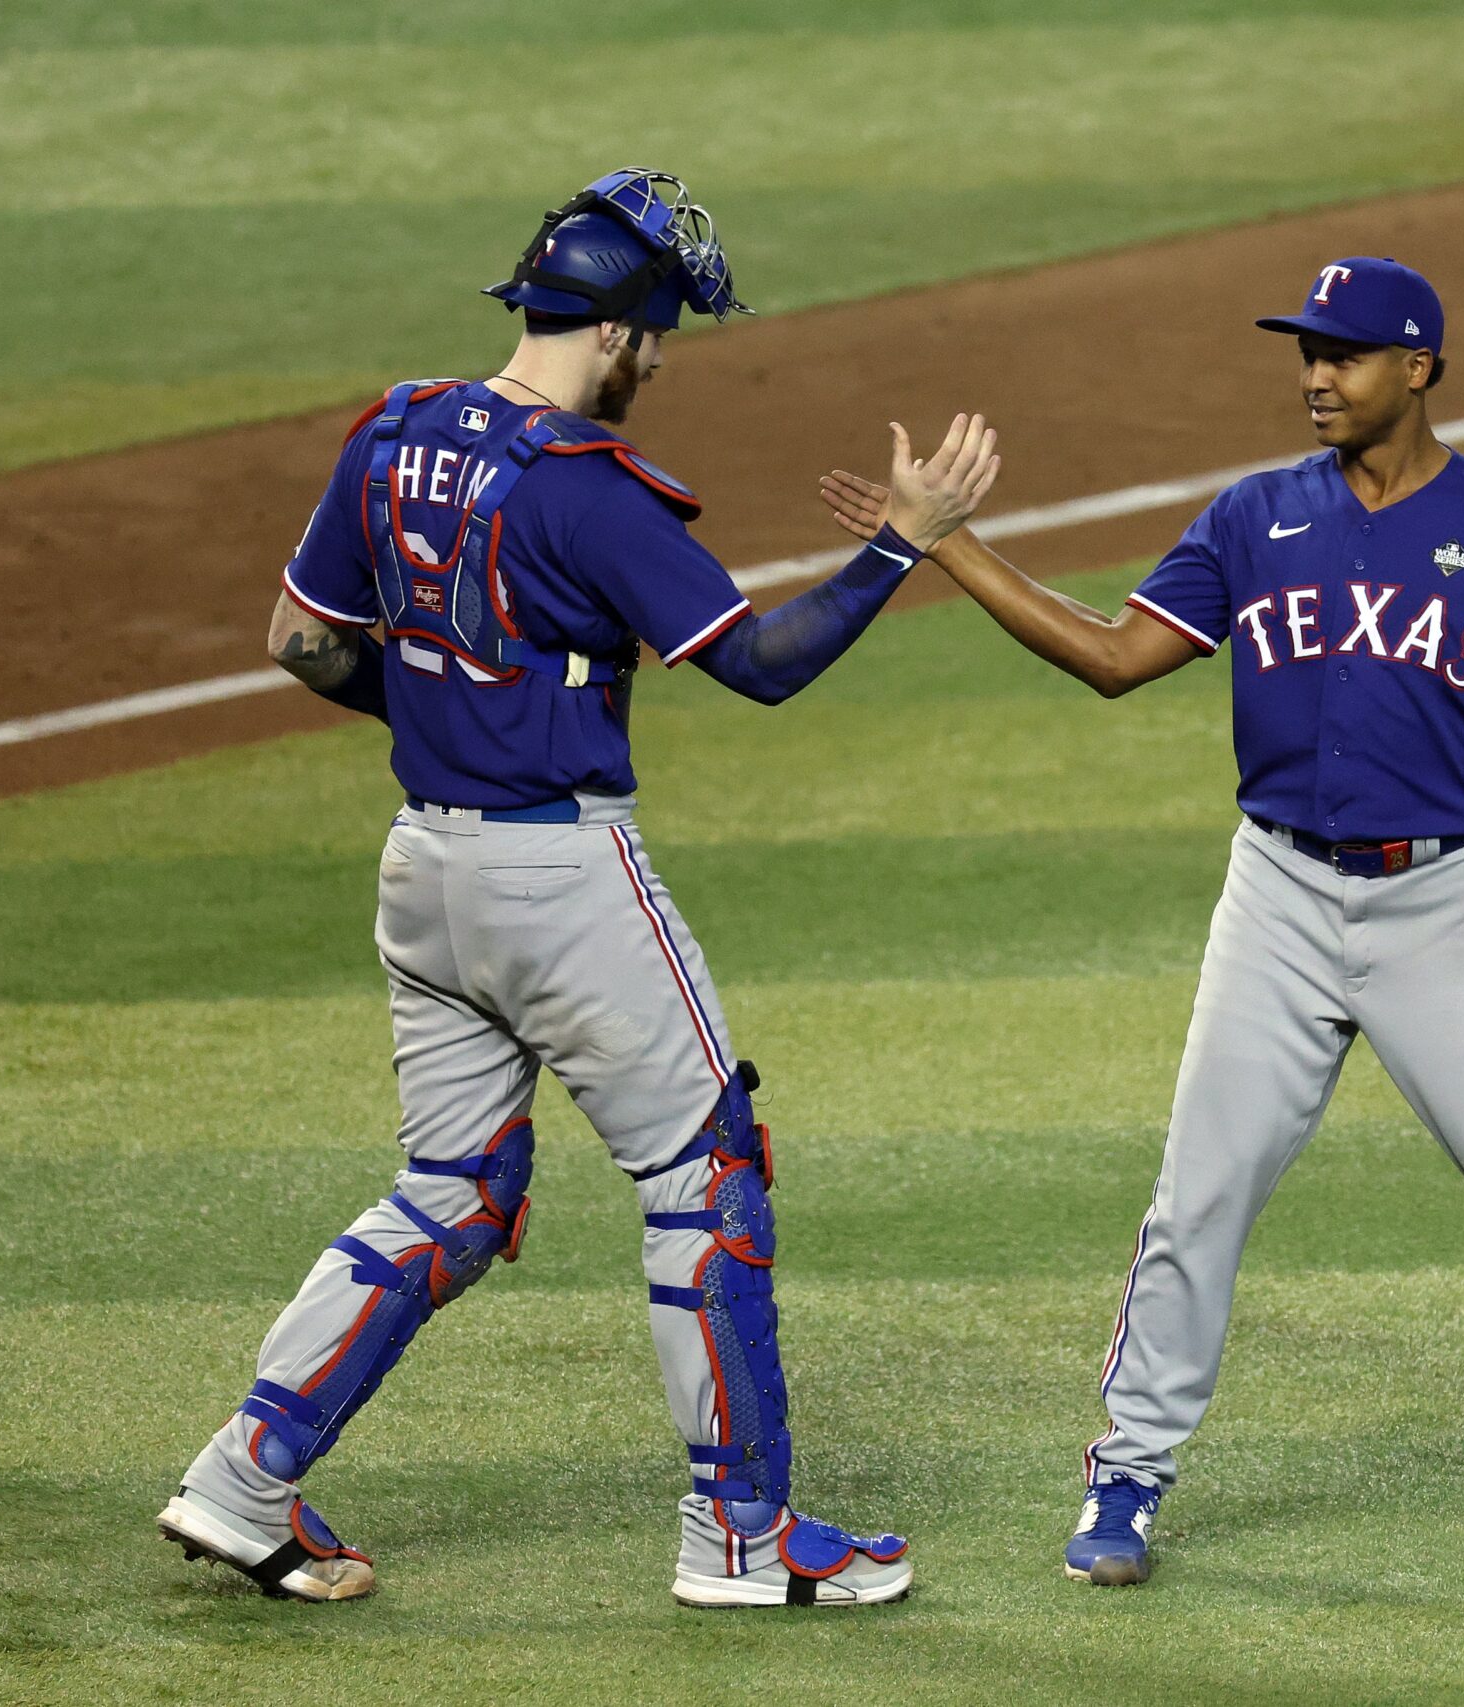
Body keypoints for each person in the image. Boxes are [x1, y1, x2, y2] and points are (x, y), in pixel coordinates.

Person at [819, 256, 1464, 1588]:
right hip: (1273, 894)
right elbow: (1112, 658)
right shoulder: (1252, 517)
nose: (1316, 377)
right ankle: (1128, 1483)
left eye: (1345, 354)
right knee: (1198, 1197)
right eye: (1305, 352)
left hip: (1441, 907)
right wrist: (949, 544)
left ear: (1419, 368)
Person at [157, 169, 998, 1609]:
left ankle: (242, 1482)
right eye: (659, 336)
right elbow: (759, 665)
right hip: (558, 879)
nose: (661, 363)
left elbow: (302, 638)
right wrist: (901, 540)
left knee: (453, 1195)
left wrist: (444, 724)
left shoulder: (396, 433)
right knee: (709, 1179)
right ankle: (740, 1536)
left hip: (425, 874)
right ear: (613, 332)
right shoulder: (589, 494)